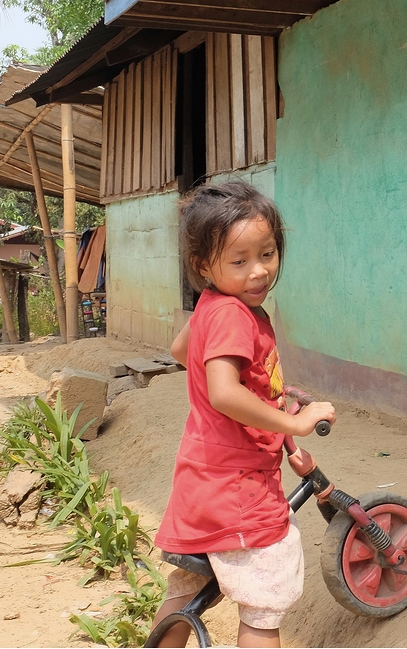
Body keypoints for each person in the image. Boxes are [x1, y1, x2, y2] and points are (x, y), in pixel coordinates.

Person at [149, 181, 336, 648]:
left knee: (187, 589)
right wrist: (295, 421)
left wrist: (267, 391)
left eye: (267, 253)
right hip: (239, 489)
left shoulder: (211, 305)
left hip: (199, 483)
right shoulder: (235, 315)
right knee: (264, 600)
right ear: (203, 265)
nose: (258, 272)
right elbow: (224, 393)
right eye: (239, 261)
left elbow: (180, 349)